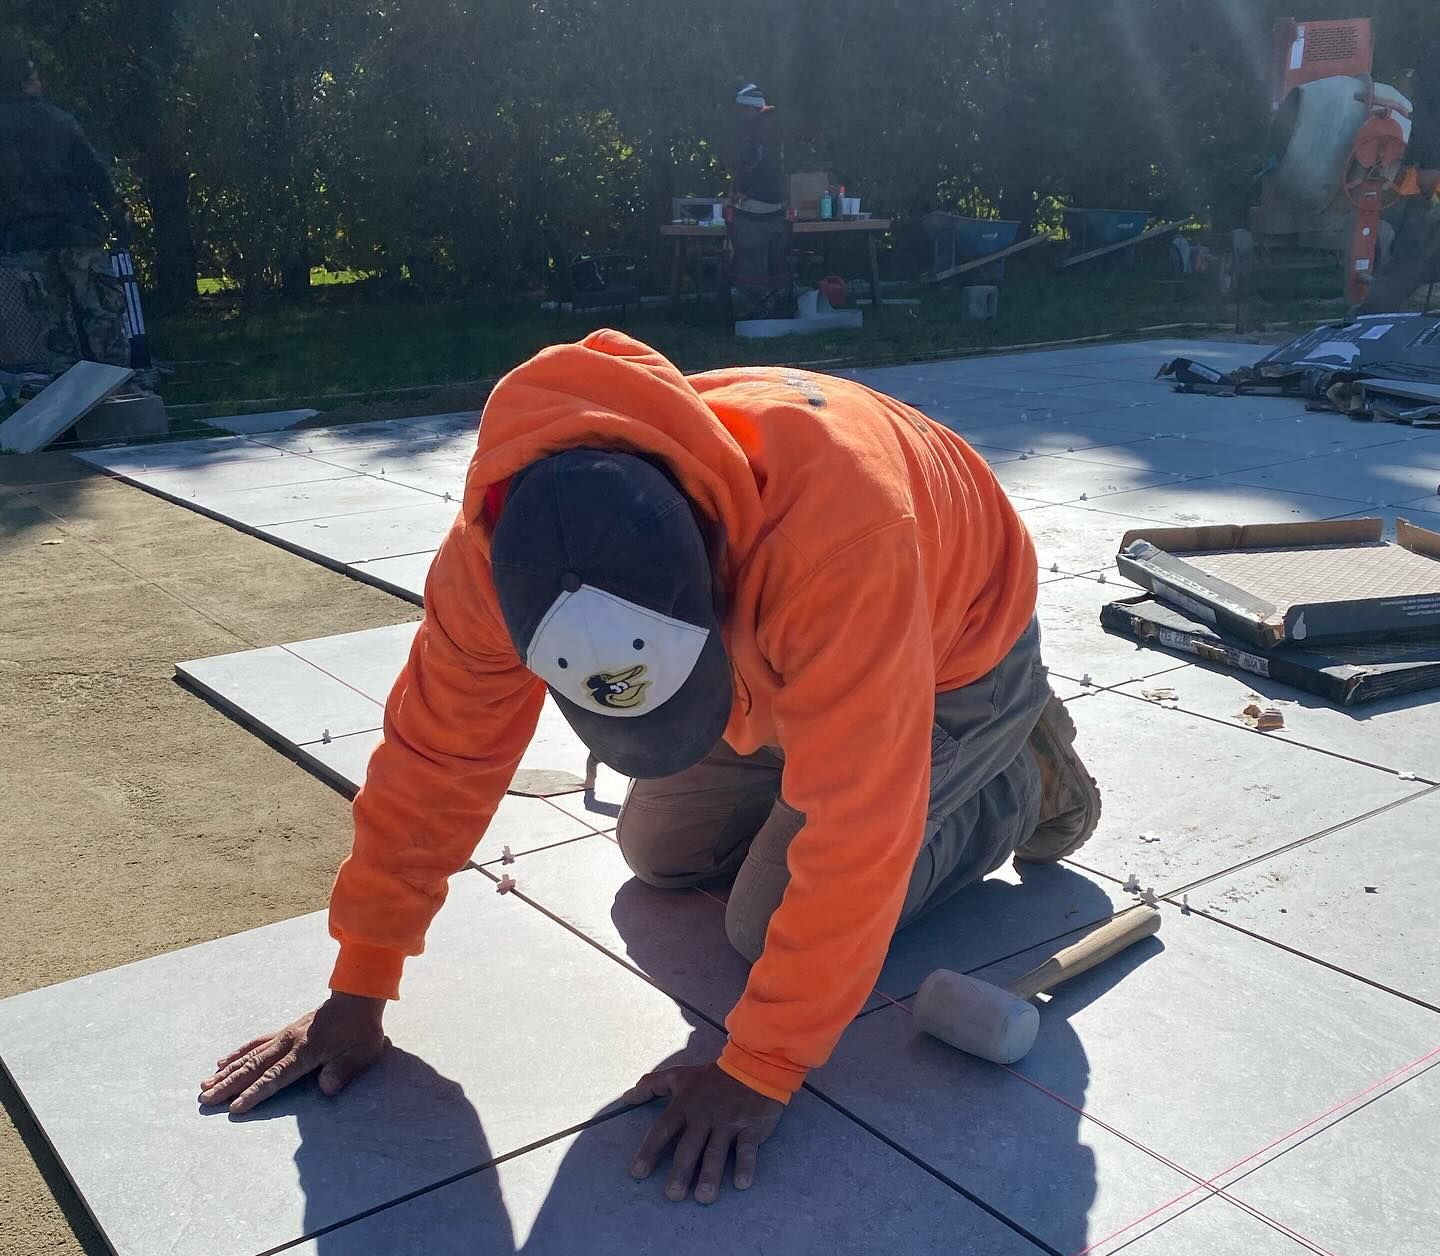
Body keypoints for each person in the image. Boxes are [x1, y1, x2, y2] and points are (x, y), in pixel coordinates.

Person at [201, 332, 1101, 1204]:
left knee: (765, 927)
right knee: (657, 852)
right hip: (785, 658)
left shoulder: (837, 542)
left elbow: (858, 833)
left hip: (951, 655)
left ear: (713, 579)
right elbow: (435, 758)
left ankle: (1020, 775)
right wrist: (361, 980)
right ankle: (820, 741)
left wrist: (761, 1067)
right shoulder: (493, 558)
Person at [0, 41, 131, 371]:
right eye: (35, 75)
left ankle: (66, 396)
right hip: (77, 231)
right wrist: (117, 214)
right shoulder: (60, 121)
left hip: (27, 238)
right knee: (102, 314)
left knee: (52, 324)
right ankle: (116, 387)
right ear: (26, 81)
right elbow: (95, 173)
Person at [732, 82, 785, 214]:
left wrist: (745, 192)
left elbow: (763, 164)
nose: (741, 113)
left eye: (743, 108)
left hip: (758, 201)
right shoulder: (770, 127)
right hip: (772, 198)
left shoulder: (758, 131)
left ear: (751, 108)